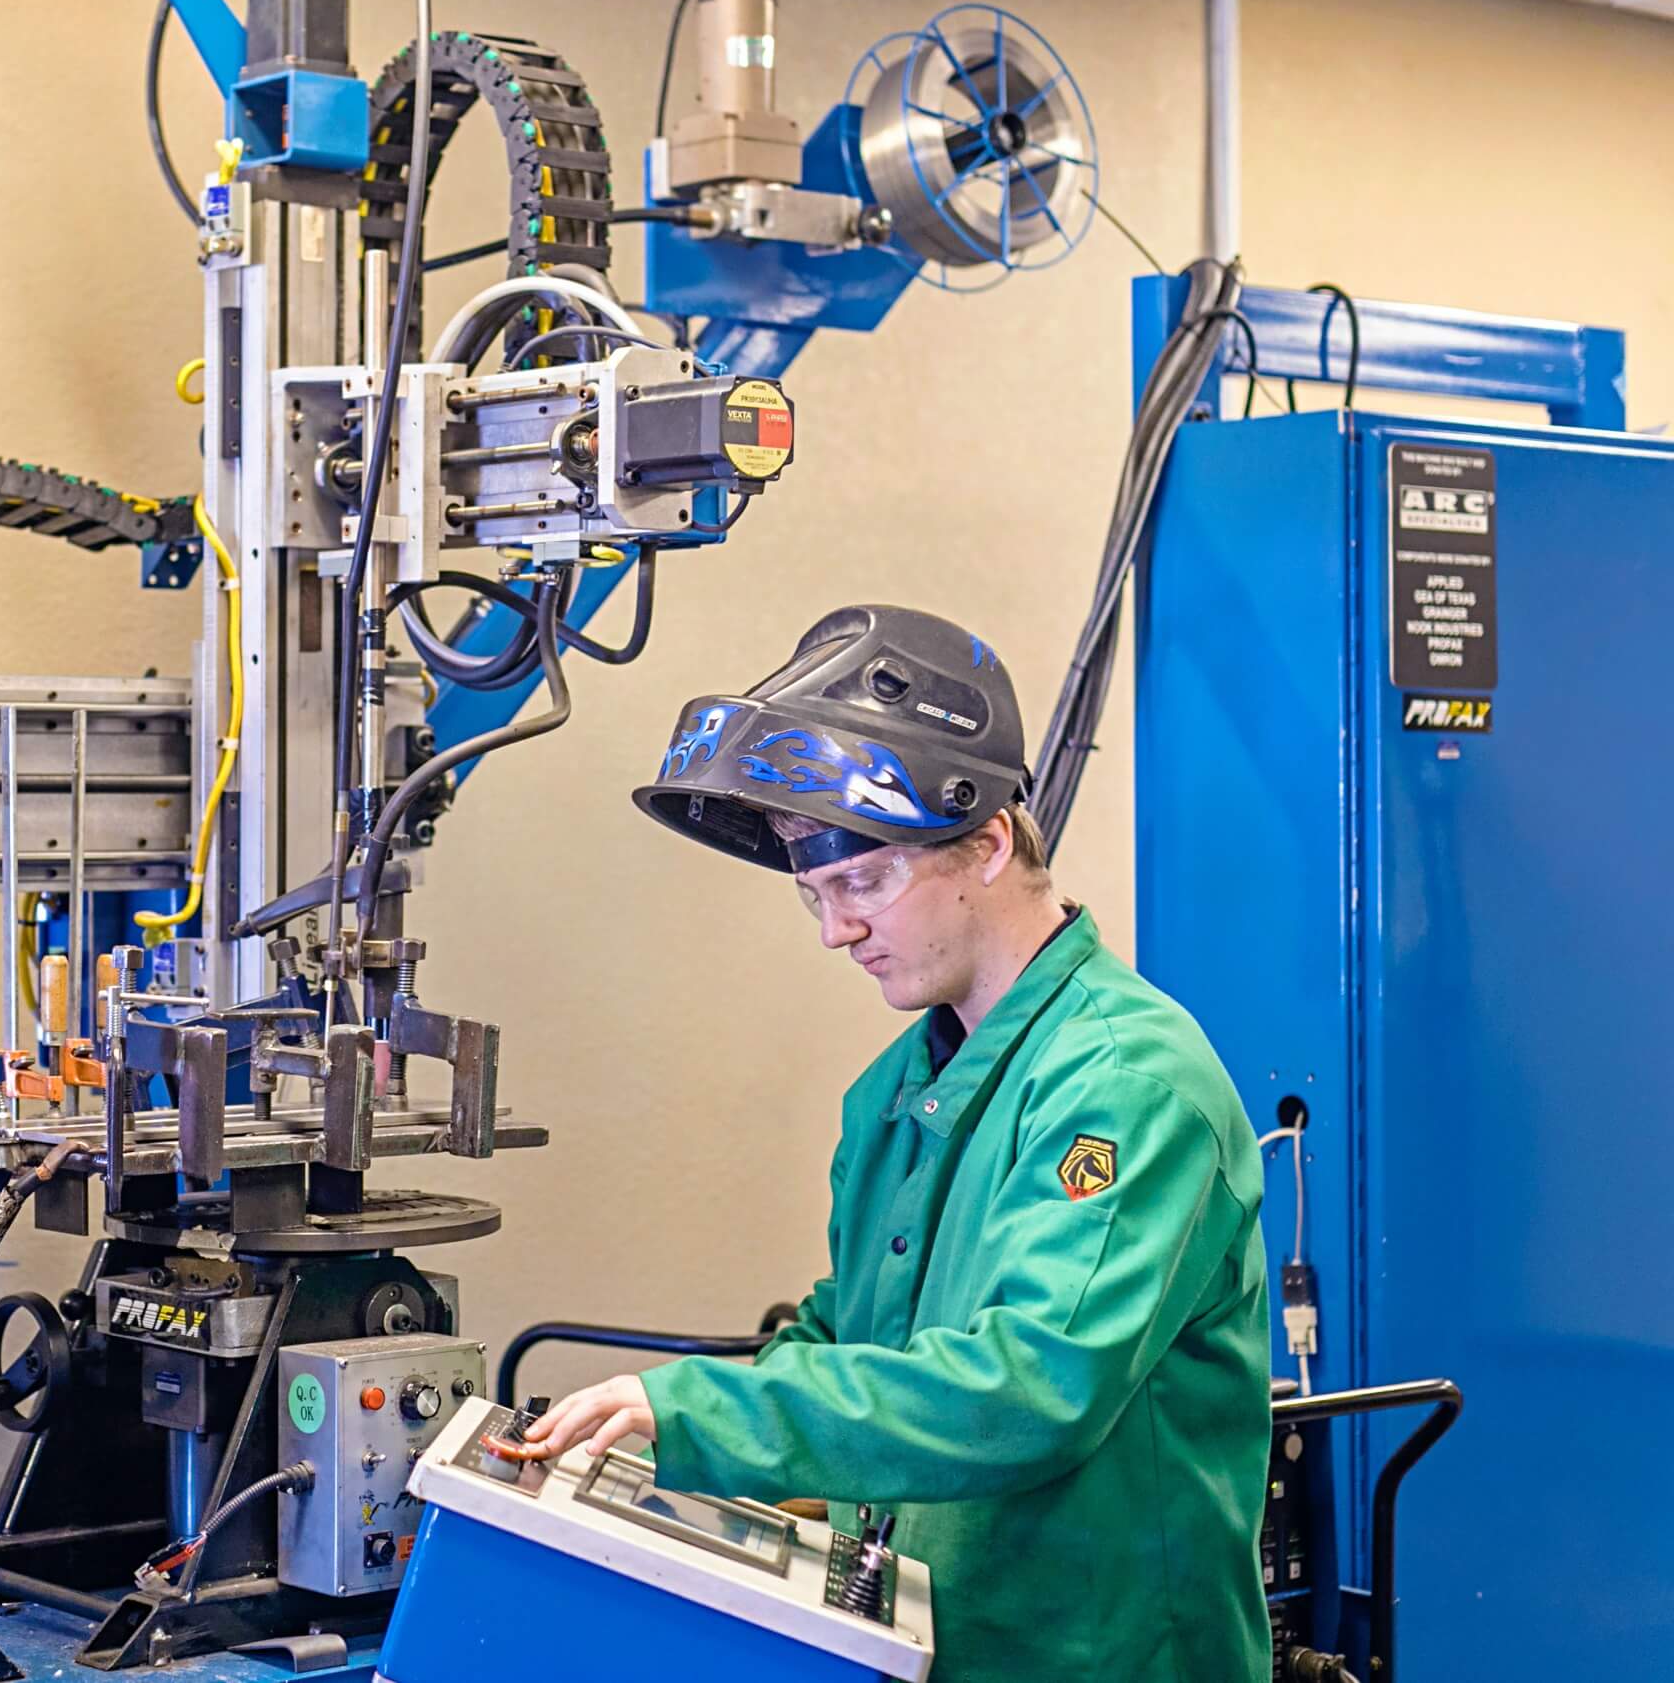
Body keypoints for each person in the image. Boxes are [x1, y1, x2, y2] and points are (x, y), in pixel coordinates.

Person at [513, 605, 1273, 1681]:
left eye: (864, 881)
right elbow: (855, 1334)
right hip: (926, 1642)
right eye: (815, 896)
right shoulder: (897, 1091)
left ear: (990, 841)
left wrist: (693, 1413)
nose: (839, 931)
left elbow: (1031, 1390)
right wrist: (645, 1475)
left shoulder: (1123, 1083)